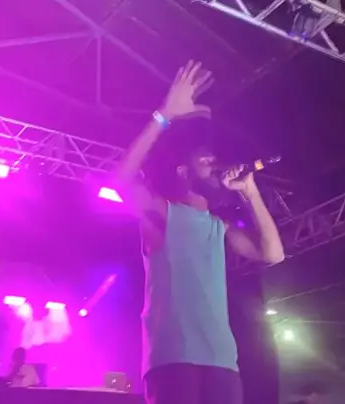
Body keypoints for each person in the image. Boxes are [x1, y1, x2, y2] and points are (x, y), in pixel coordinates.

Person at [115, 60, 285, 404]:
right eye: (204, 160)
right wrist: (164, 115)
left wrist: (250, 192)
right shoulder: (164, 213)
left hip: (221, 359)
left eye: (212, 160)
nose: (213, 163)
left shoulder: (220, 227)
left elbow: (273, 254)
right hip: (174, 357)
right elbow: (121, 180)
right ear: (183, 171)